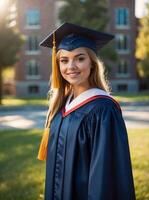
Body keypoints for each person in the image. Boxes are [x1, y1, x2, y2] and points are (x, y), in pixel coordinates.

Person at [37, 22, 136, 200]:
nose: (71, 66)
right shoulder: (60, 107)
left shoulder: (103, 110)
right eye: (64, 60)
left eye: (80, 58)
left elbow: (105, 179)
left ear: (92, 63)